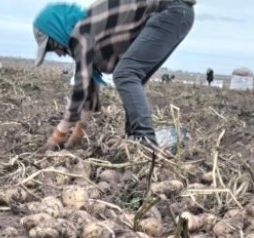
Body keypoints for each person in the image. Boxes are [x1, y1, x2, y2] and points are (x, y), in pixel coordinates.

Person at [33, 0, 196, 149]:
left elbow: (80, 86)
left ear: (56, 31)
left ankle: (146, 141)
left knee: (125, 74)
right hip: (178, 14)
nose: (57, 53)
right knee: (130, 79)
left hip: (170, 11)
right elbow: (89, 85)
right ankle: (135, 138)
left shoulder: (81, 31)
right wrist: (79, 132)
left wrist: (59, 133)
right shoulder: (90, 27)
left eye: (51, 47)